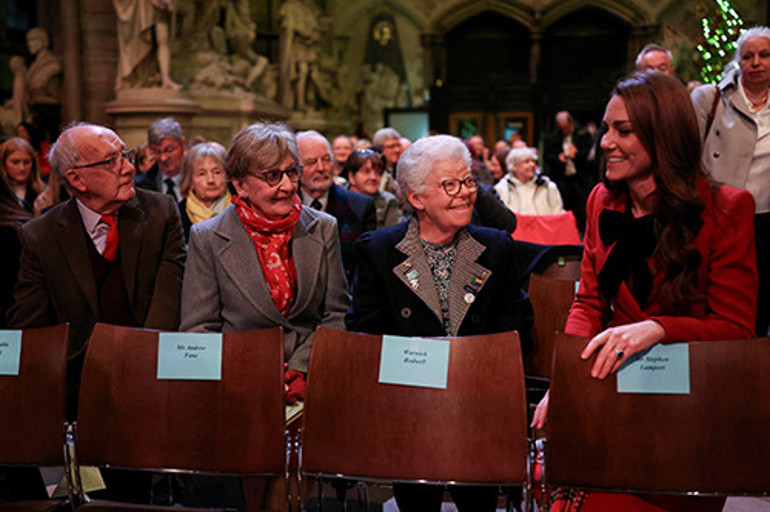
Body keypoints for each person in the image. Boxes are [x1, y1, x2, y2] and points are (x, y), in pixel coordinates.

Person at [532, 72, 757, 511]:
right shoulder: (601, 199)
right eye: (606, 128)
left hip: (691, 413)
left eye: (624, 131)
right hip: (614, 399)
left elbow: (737, 331)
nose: (606, 143)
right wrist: (566, 384)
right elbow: (589, 302)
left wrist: (658, 329)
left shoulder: (728, 208)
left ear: (664, 135)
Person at [346, 134, 533, 512]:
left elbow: (519, 332)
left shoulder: (496, 247)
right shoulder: (379, 251)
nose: (464, 193)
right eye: (449, 185)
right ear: (416, 198)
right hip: (409, 412)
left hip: (480, 409)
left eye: (467, 182)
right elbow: (365, 340)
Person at [7, 123, 185, 419]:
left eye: (125, 155)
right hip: (76, 391)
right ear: (77, 179)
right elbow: (31, 328)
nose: (128, 168)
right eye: (111, 161)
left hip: (152, 374)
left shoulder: (161, 213)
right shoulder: (40, 237)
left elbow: (169, 304)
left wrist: (141, 371)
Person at [181, 121, 349, 381]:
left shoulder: (323, 227)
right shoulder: (208, 238)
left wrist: (301, 367)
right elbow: (198, 330)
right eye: (272, 176)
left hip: (312, 373)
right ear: (240, 185)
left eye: (291, 172)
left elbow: (335, 314)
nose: (288, 186)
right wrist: (252, 370)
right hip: (239, 380)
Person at [691, 25, 770, 337]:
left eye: (764, 55)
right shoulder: (709, 98)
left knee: (761, 301)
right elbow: (690, 154)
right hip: (718, 215)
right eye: (748, 56)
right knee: (718, 297)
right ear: (737, 61)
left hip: (765, 220)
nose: (756, 62)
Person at [296, 130, 376, 285]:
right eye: (312, 162)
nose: (321, 168)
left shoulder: (360, 207)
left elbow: (366, 270)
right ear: (296, 169)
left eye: (326, 160)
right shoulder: (283, 207)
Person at [543, 110, 595, 230]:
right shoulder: (553, 137)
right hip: (562, 179)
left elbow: (590, 157)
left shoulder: (583, 134)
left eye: (566, 128)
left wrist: (576, 155)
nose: (564, 131)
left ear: (571, 123)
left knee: (582, 208)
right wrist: (558, 157)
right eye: (562, 129)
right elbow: (547, 156)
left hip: (580, 178)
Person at [178, 142, 232, 241]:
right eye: (202, 174)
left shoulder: (242, 210)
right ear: (190, 181)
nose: (210, 180)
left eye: (217, 172)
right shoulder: (177, 215)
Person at [495, 146, 564, 215]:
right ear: (514, 166)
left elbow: (558, 213)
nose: (532, 165)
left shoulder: (548, 186)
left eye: (533, 161)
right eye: (526, 161)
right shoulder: (502, 188)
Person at [344, 148, 402, 228]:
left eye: (378, 172)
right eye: (366, 171)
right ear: (351, 177)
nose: (374, 177)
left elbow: (395, 236)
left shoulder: (388, 201)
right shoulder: (336, 196)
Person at [134, 117, 186, 202]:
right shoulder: (140, 186)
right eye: (157, 152)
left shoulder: (200, 181)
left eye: (169, 150)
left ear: (183, 144)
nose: (163, 158)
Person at [0, 137, 42, 214]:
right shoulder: (2, 194)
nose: (22, 168)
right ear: (3, 163)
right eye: (15, 162)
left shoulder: (43, 192)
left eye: (26, 162)